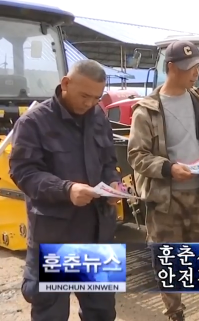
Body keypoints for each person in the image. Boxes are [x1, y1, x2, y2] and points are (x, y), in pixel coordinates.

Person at [127, 40, 199, 321]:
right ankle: (174, 313)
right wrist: (168, 168)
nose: (195, 73)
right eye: (189, 67)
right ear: (171, 68)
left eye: (198, 67)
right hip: (165, 200)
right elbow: (136, 155)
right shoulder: (146, 110)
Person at [9, 60, 120, 321]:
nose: (90, 103)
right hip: (56, 236)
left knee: (102, 312)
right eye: (84, 96)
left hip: (97, 233)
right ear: (66, 83)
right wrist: (66, 189)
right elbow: (23, 172)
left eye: (96, 97)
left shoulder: (98, 118)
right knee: (51, 313)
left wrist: (112, 184)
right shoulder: (34, 122)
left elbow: (109, 161)